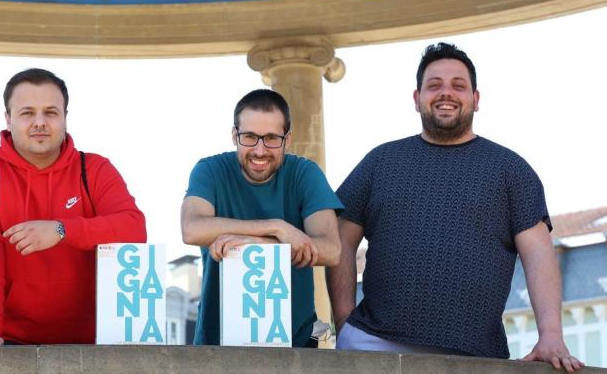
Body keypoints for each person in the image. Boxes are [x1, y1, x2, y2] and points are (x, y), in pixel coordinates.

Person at [327, 43, 584, 372]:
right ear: (417, 97)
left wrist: (550, 335)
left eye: (458, 86)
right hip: (372, 346)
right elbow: (339, 237)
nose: (446, 93)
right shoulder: (380, 162)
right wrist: (344, 319)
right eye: (434, 85)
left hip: (474, 356)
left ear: (476, 99)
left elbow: (538, 255)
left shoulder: (511, 170)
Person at [0, 68, 146, 348]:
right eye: (27, 112)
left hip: (93, 344)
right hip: (10, 341)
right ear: (8, 119)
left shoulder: (95, 169)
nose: (39, 122)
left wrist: (62, 229)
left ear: (65, 117)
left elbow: (133, 229)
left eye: (51, 112)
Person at [181, 89, 343, 347]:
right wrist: (277, 227)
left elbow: (331, 250)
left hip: (296, 343)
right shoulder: (209, 170)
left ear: (287, 140)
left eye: (271, 138)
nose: (259, 150)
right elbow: (191, 229)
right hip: (217, 343)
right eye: (249, 137)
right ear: (235, 135)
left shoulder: (305, 174)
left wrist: (254, 243)